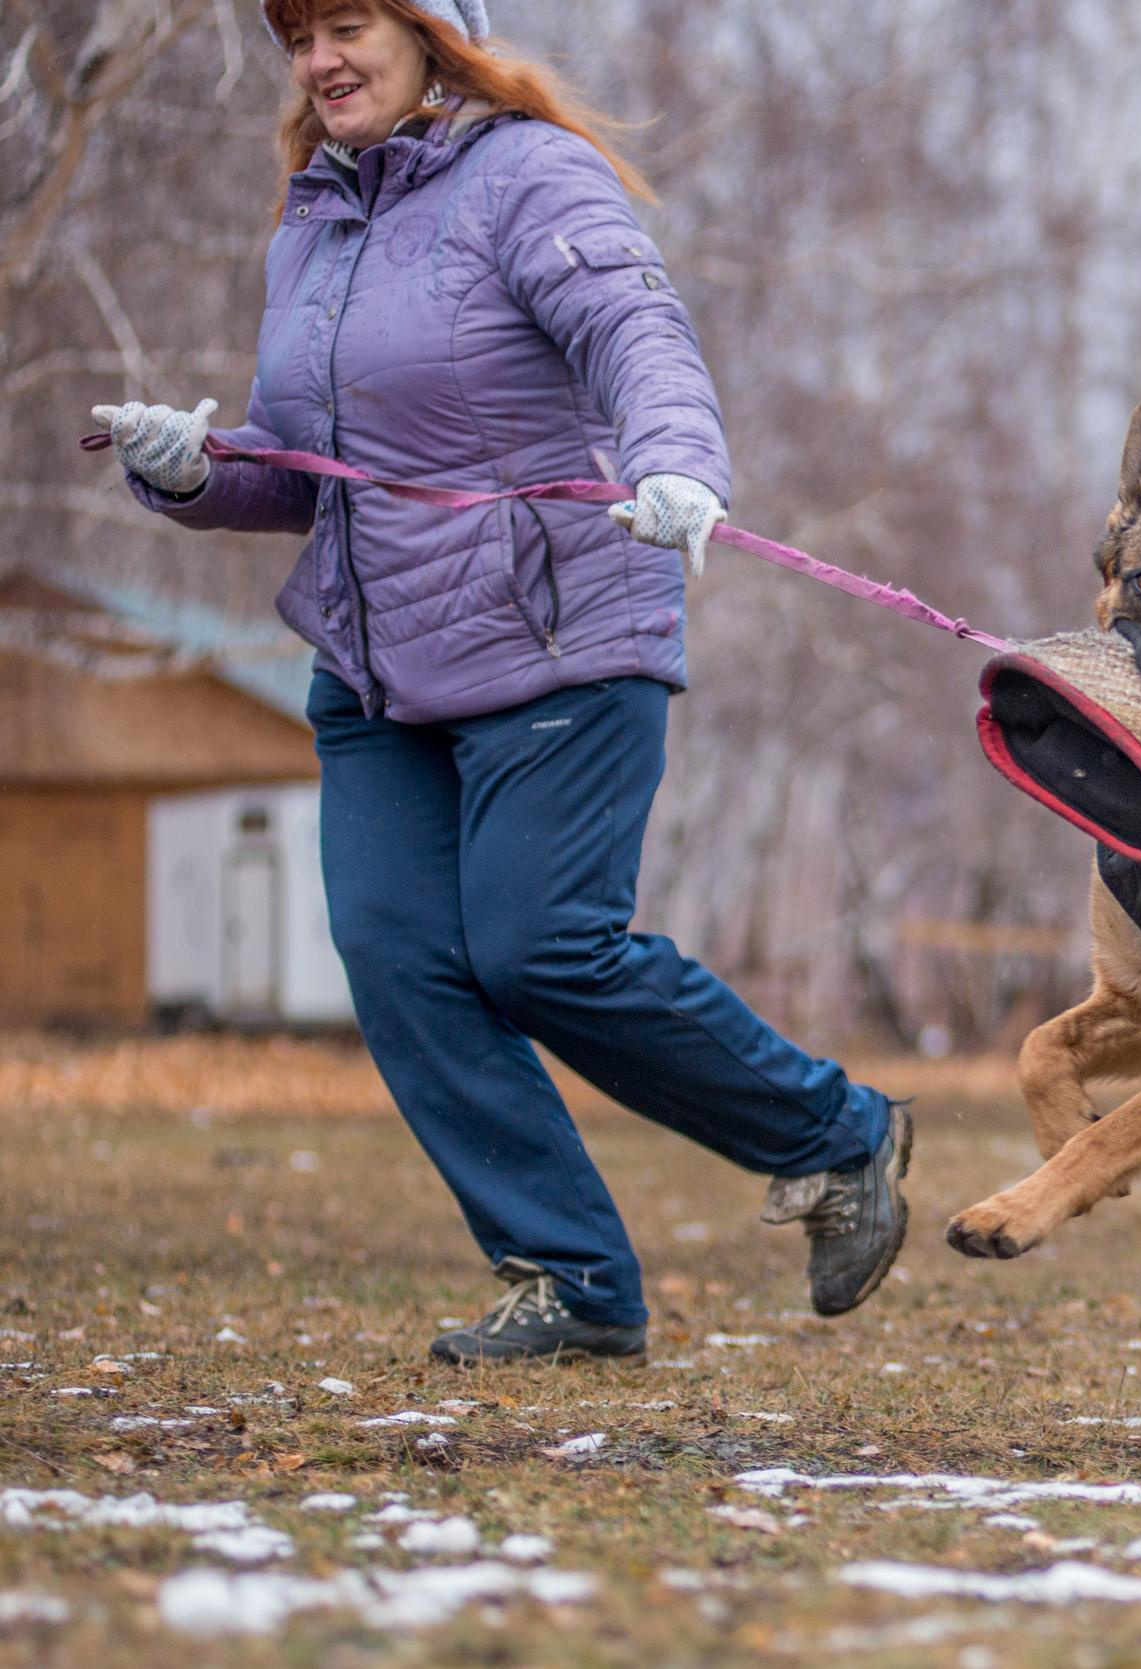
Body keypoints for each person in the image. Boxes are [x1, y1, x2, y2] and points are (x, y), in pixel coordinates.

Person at [91, 0, 906, 1363]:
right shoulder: (315, 216)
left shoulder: (532, 172)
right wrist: (189, 469)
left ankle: (837, 1136)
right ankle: (574, 1280)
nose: (319, 60)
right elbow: (303, 462)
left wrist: (679, 464)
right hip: (372, 659)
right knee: (403, 965)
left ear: (432, 33)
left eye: (346, 24)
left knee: (539, 947)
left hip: (554, 634)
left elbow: (635, 332)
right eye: (296, 37)